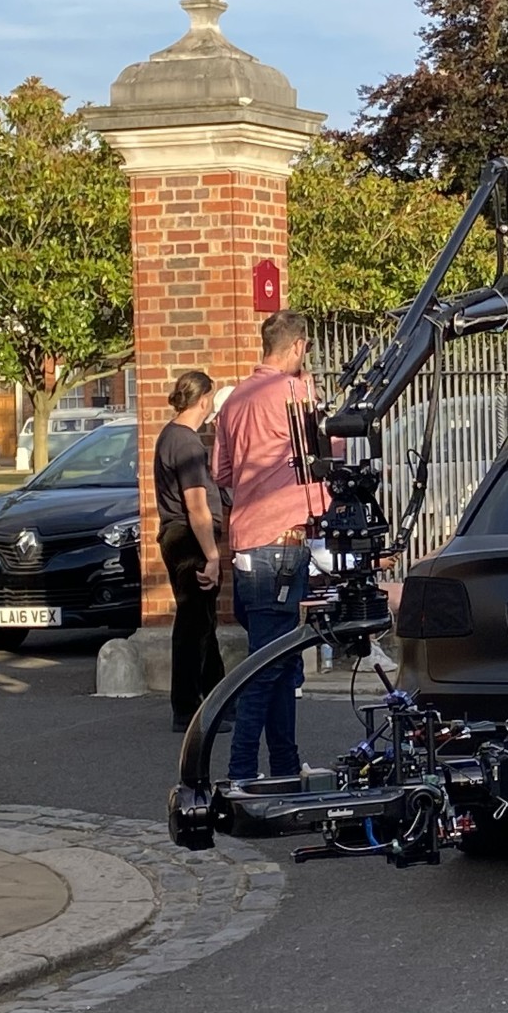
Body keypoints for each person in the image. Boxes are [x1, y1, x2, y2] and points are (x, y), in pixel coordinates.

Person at [213, 311, 328, 783]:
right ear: (298, 347)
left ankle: (282, 765)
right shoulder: (294, 393)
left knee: (280, 664)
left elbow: (221, 474)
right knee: (265, 669)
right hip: (281, 544)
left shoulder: (235, 399)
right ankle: (241, 771)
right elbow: (321, 458)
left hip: (247, 545)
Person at [155, 370, 226, 733]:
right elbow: (196, 506)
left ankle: (217, 701)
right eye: (211, 397)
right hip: (190, 540)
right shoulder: (187, 443)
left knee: (203, 624)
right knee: (193, 626)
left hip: (178, 537)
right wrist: (212, 556)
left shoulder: (170, 436)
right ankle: (186, 709)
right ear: (203, 399)